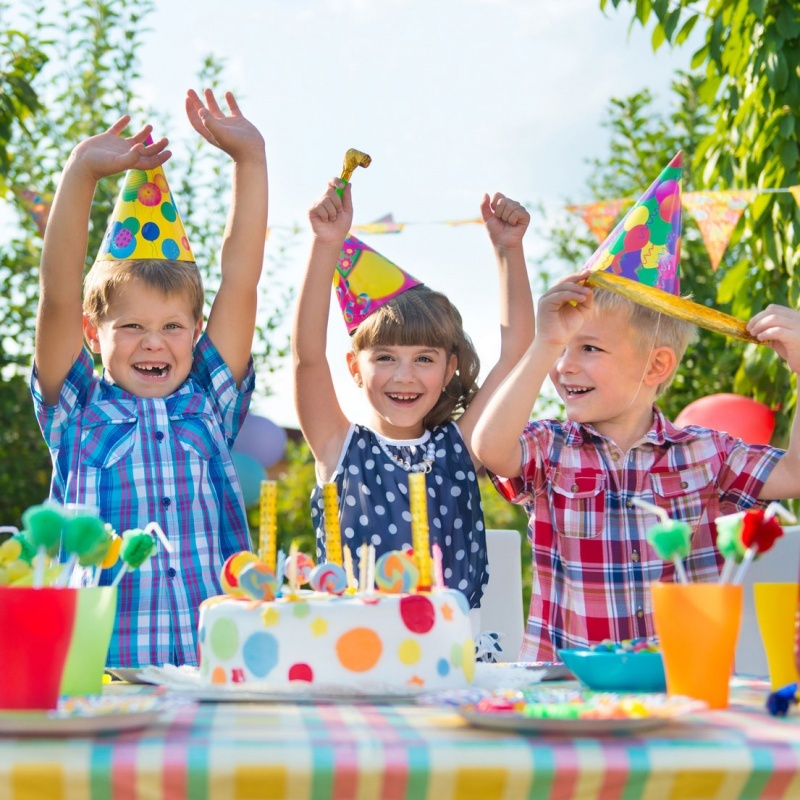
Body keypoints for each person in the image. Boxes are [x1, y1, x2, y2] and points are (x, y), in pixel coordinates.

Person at [31, 89, 268, 667]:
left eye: (172, 326)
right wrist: (82, 171)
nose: (154, 341)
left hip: (216, 671)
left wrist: (250, 160)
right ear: (94, 334)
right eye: (131, 325)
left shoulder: (210, 399)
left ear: (196, 331)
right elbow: (59, 294)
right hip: (99, 673)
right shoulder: (78, 409)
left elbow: (240, 279)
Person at [473, 270, 800, 661]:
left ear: (656, 366)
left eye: (588, 348)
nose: (563, 366)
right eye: (560, 349)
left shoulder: (707, 453)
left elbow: (794, 475)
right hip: (568, 692)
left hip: (684, 683)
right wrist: (544, 342)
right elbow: (489, 447)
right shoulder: (549, 446)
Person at [292, 178, 534, 613]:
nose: (405, 376)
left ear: (449, 371)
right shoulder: (338, 446)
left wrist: (509, 252)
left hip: (454, 658)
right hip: (355, 658)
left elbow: (517, 353)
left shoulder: (461, 448)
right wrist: (325, 244)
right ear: (354, 369)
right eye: (385, 357)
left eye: (424, 359)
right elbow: (307, 357)